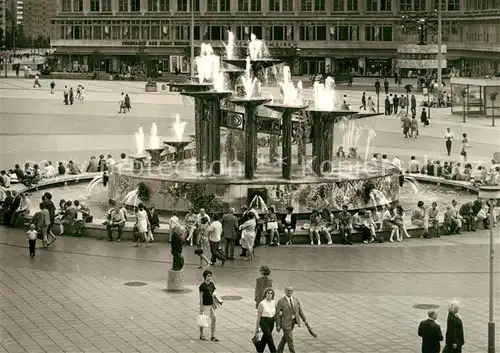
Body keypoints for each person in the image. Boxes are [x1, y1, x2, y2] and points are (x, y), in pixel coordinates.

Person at [275, 286, 308, 353]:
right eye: (288, 290)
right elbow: (277, 314)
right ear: (285, 291)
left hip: (293, 322)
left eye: (291, 290)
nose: (289, 292)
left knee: (285, 337)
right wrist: (278, 325)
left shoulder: (295, 300)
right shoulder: (281, 301)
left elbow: (300, 311)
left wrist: (305, 320)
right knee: (290, 339)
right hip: (285, 323)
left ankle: (278, 351)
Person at [198, 270, 219, 342]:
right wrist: (201, 306)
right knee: (203, 319)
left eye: (210, 276)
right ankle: (201, 334)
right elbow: (200, 297)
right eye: (208, 276)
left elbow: (214, 294)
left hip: (211, 305)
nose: (209, 277)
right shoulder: (202, 286)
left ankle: (213, 335)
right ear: (205, 277)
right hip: (205, 305)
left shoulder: (212, 284)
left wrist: (216, 301)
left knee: (214, 319)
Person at [254, 287, 277, 353]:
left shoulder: (274, 302)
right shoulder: (262, 304)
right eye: (268, 293)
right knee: (269, 338)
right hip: (264, 321)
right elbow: (258, 317)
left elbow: (275, 313)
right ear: (265, 294)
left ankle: (260, 348)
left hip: (271, 322)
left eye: (271, 293)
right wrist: (257, 328)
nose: (269, 294)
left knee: (265, 337)